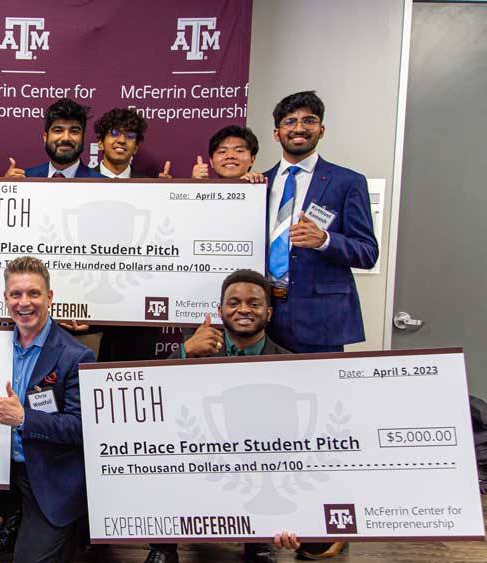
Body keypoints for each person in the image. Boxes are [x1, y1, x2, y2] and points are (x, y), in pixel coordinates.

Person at [0, 256, 97, 562]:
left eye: (34, 293)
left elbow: (81, 428)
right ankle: (16, 513)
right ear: (6, 299)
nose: (24, 302)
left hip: (48, 475)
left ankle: (64, 524)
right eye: (16, 294)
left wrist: (24, 418)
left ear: (49, 297)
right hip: (1, 465)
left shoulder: (76, 356)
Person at [146, 269, 288, 563]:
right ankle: (163, 546)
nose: (244, 309)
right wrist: (184, 351)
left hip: (258, 460)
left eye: (254, 303)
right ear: (220, 311)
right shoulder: (197, 350)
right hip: (199, 451)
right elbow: (154, 391)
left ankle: (260, 542)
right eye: (234, 303)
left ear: (269, 313)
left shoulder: (291, 364)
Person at [263, 91, 377, 354]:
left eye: (309, 120)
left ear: (321, 130)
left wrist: (325, 240)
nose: (299, 128)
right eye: (290, 121)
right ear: (277, 133)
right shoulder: (260, 183)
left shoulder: (347, 182)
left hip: (321, 319)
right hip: (264, 315)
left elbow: (368, 252)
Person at [5, 98, 104, 179]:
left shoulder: (103, 185)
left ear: (82, 137)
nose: (66, 138)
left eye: (74, 131)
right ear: (45, 137)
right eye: (58, 130)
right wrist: (8, 188)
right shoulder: (25, 179)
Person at [91, 107, 171, 179]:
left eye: (130, 136)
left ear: (135, 149)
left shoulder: (149, 185)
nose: (122, 140)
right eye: (114, 134)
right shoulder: (84, 181)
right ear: (101, 144)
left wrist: (164, 189)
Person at [191, 125, 266, 183]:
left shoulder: (264, 188)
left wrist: (256, 186)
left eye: (239, 151)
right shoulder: (203, 191)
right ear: (211, 161)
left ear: (252, 159)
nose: (230, 156)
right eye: (222, 151)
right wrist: (195, 186)